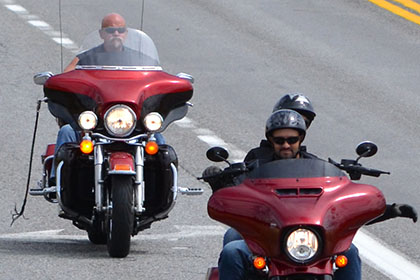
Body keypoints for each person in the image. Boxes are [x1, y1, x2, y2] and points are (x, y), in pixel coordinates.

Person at [203, 108, 417, 280]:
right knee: (232, 250)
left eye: (292, 139)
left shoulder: (316, 169)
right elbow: (238, 200)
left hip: (309, 242)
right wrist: (219, 185)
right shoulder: (253, 168)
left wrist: (390, 210)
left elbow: (339, 212)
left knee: (349, 252)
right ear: (271, 140)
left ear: (300, 139)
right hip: (268, 239)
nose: (286, 145)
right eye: (279, 140)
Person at [50, 13, 164, 183]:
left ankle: (165, 183)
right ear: (102, 34)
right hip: (96, 119)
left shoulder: (141, 59)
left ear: (126, 34)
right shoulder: (86, 57)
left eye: (120, 30)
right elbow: (66, 76)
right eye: (111, 30)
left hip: (130, 120)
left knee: (158, 138)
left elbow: (158, 78)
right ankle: (56, 181)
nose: (116, 34)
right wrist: (59, 82)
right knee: (67, 131)